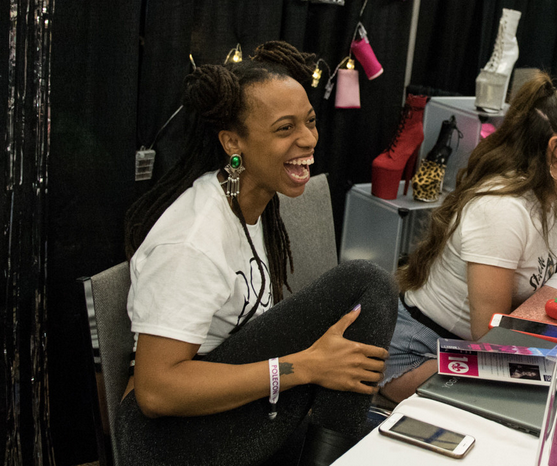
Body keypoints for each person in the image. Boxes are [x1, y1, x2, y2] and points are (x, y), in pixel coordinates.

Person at [116, 41, 398, 466]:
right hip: (170, 442)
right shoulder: (193, 241)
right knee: (365, 283)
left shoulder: (254, 204)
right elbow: (155, 392)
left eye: (310, 121)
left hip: (232, 416)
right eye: (285, 128)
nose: (308, 139)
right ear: (234, 142)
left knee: (388, 443)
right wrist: (303, 368)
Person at [382, 72, 557, 402]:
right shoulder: (503, 210)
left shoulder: (548, 200)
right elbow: (489, 337)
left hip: (462, 350)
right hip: (417, 355)